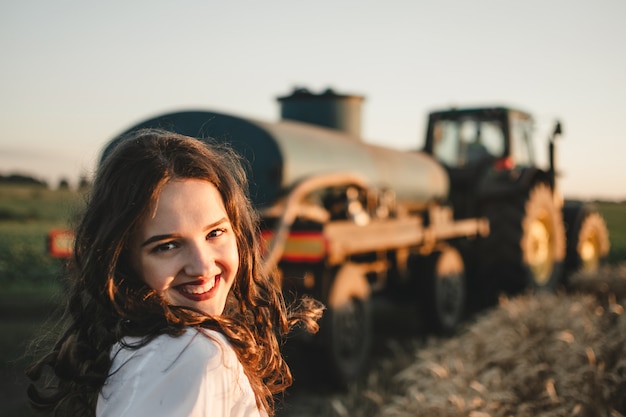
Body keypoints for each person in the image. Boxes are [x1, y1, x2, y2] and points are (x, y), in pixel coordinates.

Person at [26, 129, 324, 417]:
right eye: (167, 246)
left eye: (215, 232)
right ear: (124, 260)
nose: (203, 265)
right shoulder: (192, 356)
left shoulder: (144, 343)